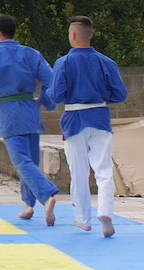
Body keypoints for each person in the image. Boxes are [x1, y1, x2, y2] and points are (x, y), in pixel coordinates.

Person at [43, 15, 129, 237]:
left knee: (78, 172)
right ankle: (105, 212)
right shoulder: (106, 62)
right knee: (104, 169)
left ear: (72, 35)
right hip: (100, 115)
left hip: (74, 118)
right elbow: (120, 93)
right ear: (91, 35)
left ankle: (82, 218)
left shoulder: (63, 63)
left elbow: (56, 94)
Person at [0, 16, 57, 225]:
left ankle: (47, 195)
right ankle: (28, 204)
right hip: (30, 109)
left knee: (21, 160)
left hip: (8, 110)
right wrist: (44, 100)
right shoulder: (31, 54)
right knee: (31, 159)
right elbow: (51, 79)